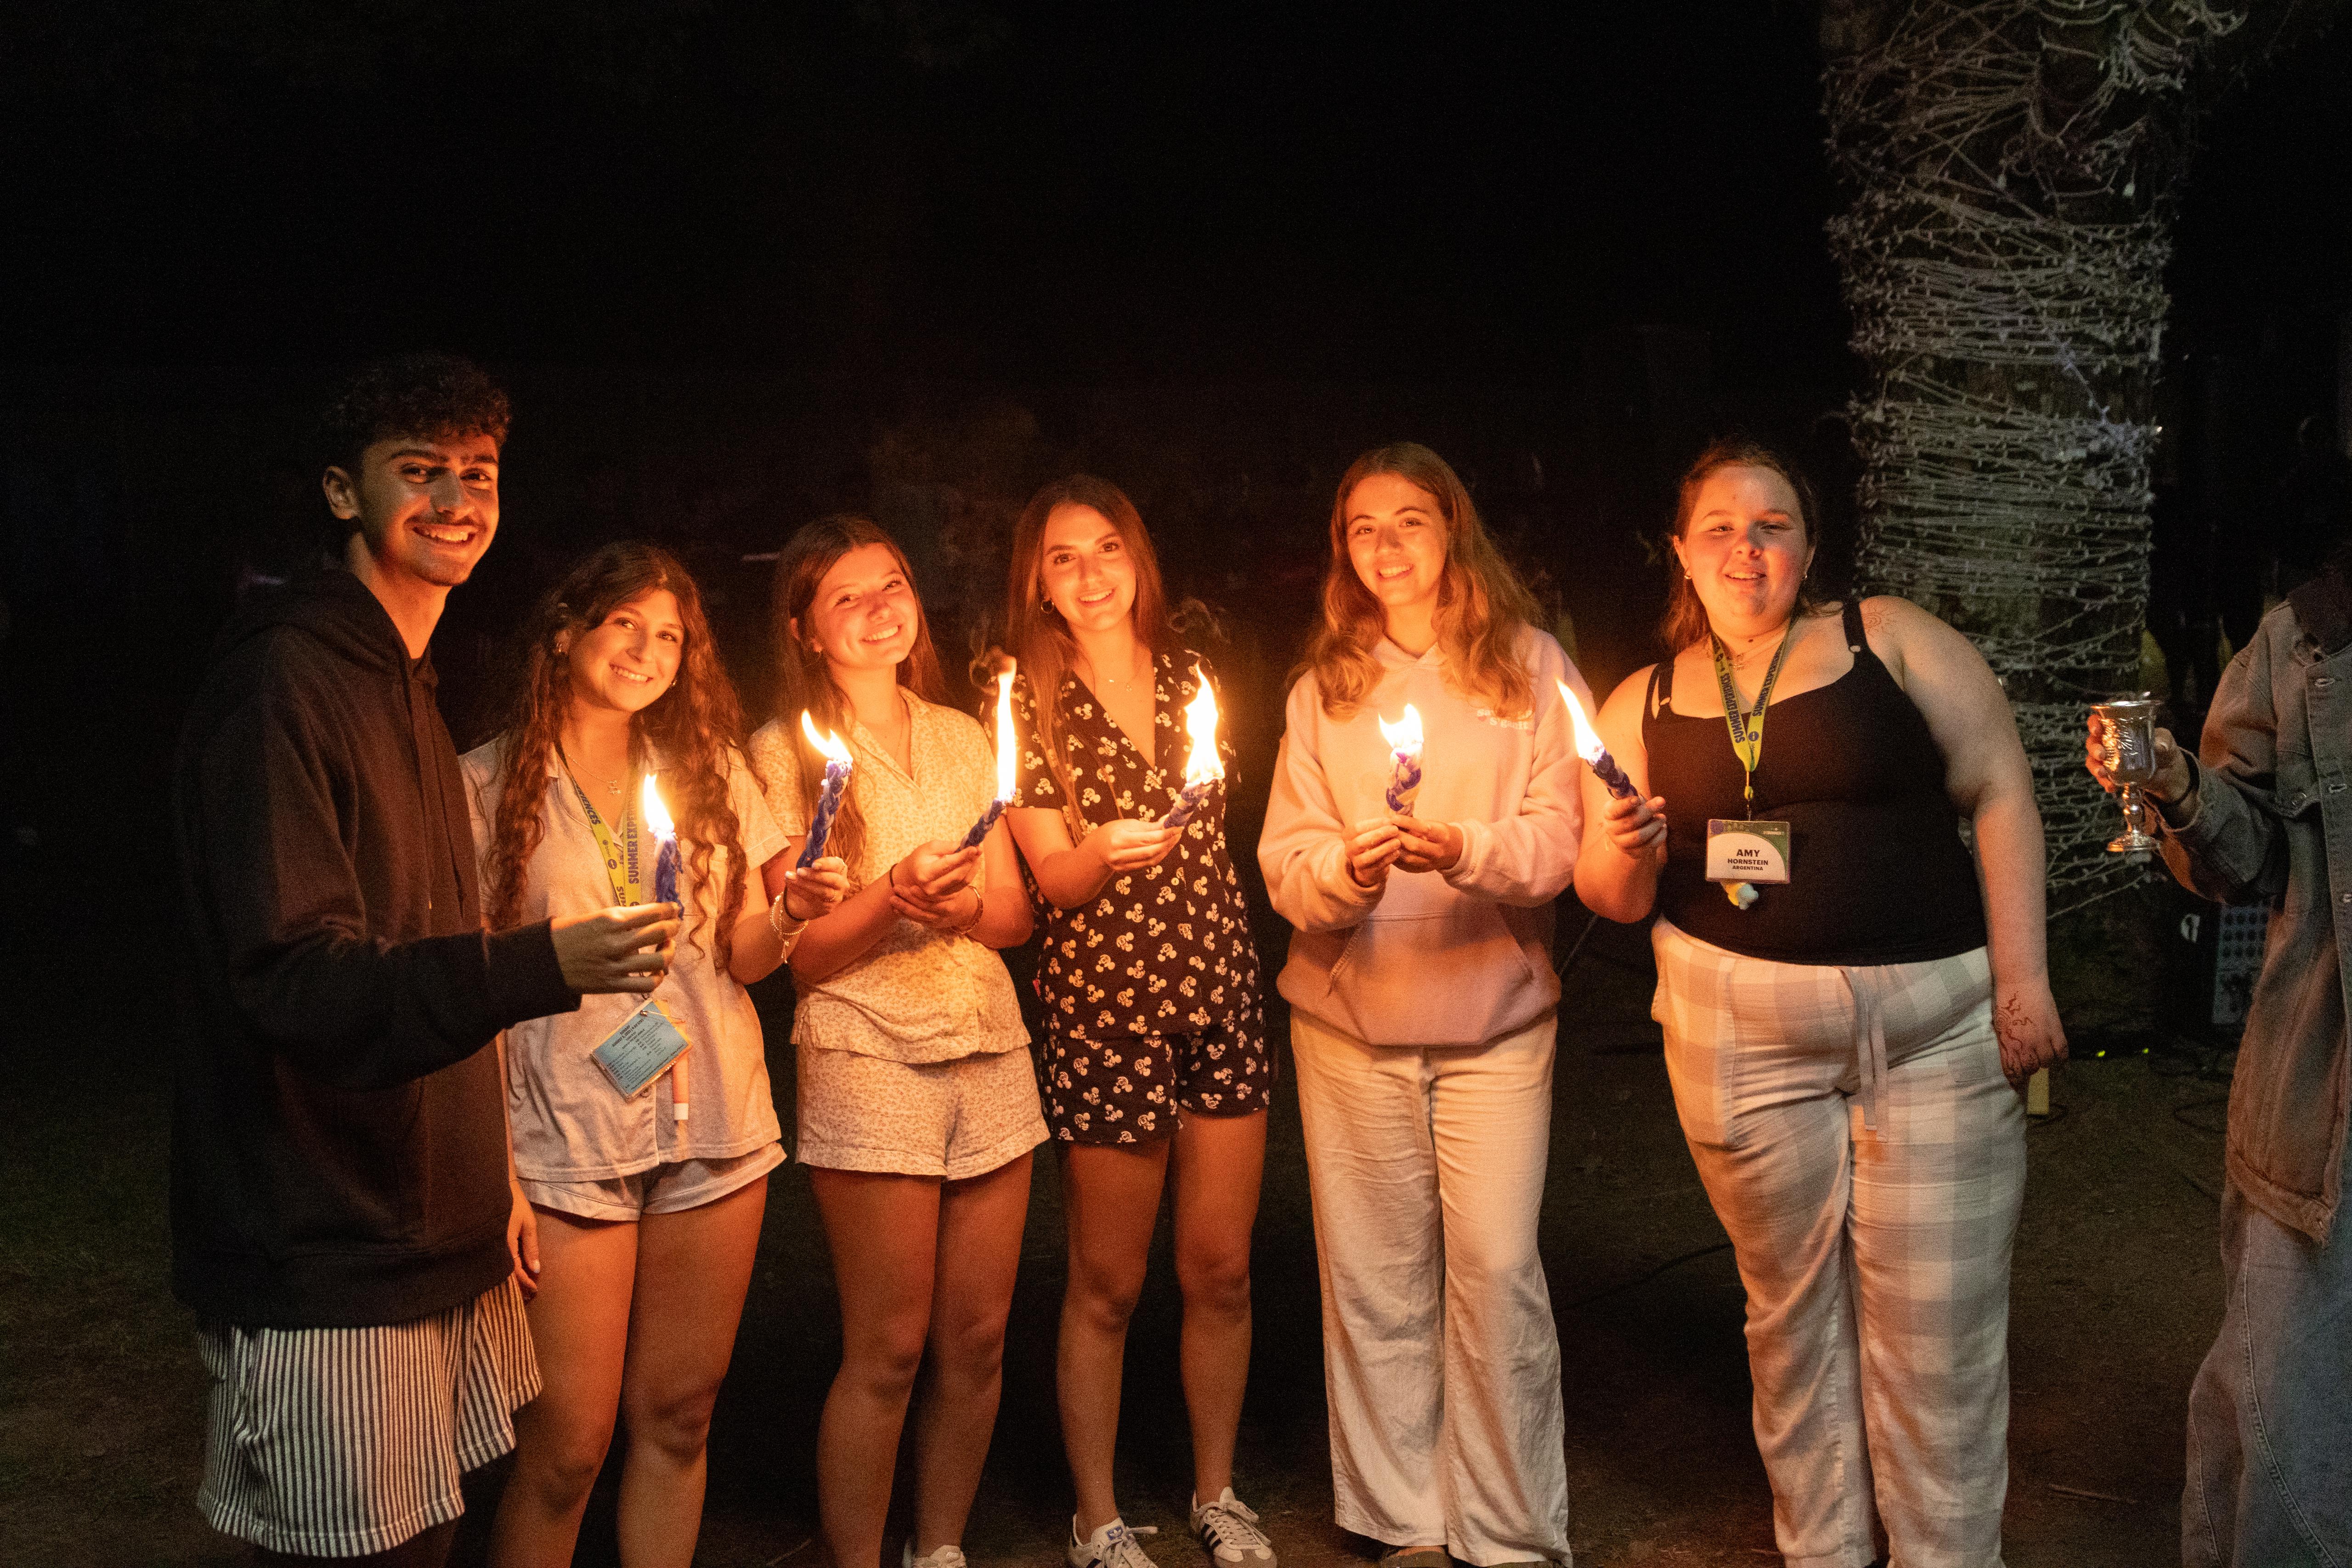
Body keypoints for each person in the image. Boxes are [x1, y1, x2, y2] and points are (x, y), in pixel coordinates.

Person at [170, 354, 679, 1568]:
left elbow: (414, 939)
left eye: (479, 471)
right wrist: (538, 963)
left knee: (435, 1532)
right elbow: (298, 978)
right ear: (344, 493)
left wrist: (485, 1172)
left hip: (432, 1223)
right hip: (327, 1242)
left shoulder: (404, 683)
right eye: (421, 470)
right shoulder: (283, 682)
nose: (458, 497)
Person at [1577, 438, 2066, 1568]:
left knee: (1934, 1335)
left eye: (1774, 525)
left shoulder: (1887, 638)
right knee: (1790, 1323)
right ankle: (1825, 1554)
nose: (1746, 549)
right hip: (1738, 1042)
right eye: (1720, 529)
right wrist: (1616, 843)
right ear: (1680, 555)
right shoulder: (1636, 702)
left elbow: (1998, 789)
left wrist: (2024, 979)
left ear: (1809, 543)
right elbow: (1608, 896)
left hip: (1935, 1033)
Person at [464, 542, 850, 1567]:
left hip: (714, 1126)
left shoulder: (709, 772)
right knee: (568, 1445)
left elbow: (742, 956)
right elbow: (466, 996)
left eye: (670, 634)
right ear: (564, 632)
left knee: (679, 1416)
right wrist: (496, 1172)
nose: (647, 649)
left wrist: (792, 910)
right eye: (623, 624)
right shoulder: (486, 786)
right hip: (566, 1142)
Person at [1258, 442, 1587, 1568]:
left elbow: (1561, 837)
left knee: (1494, 1268)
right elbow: (1286, 854)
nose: (1387, 546)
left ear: (1455, 532)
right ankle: (1404, 1517)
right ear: (1342, 551)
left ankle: (1506, 1530)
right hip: (1352, 1023)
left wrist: (1468, 849)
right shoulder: (1324, 691)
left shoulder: (1530, 668)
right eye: (1363, 527)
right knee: (1376, 1274)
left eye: (1411, 521)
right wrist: (1340, 878)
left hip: (1493, 1018)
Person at [747, 515, 1040, 1568]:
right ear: (806, 632)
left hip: (989, 1048)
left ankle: (943, 1548)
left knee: (976, 1336)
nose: (880, 610)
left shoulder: (966, 736)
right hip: (868, 1052)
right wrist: (892, 896)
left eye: (893, 586)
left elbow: (1011, 916)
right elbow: (803, 952)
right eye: (848, 599)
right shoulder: (783, 755)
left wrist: (959, 907)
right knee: (888, 1343)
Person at [1000, 476, 1274, 1568]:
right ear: (1037, 581)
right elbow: (1052, 883)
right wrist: (1097, 854)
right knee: (1108, 1282)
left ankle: (1218, 1490)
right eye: (1063, 558)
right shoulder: (1022, 701)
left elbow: (1218, 830)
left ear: (1138, 559)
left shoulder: (1191, 679)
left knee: (1220, 1270)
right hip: (1106, 1008)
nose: (1090, 574)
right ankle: (1098, 1517)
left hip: (1219, 992)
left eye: (1106, 548)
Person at [2086, 549, 2352, 1568]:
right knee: (2287, 1423)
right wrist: (2171, 779)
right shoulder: (2304, 640)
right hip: (2325, 1104)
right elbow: (2241, 863)